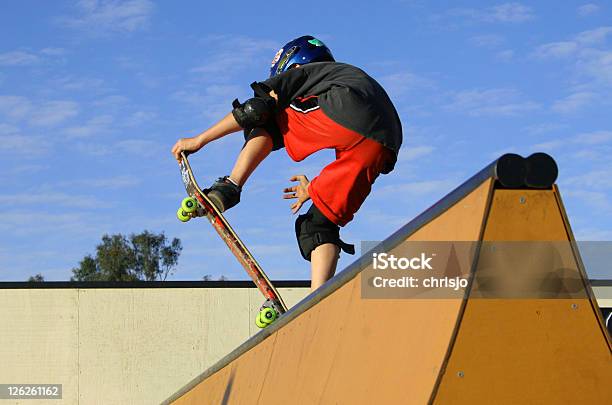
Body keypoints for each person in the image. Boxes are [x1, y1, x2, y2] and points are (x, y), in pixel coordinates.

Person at [172, 35, 402, 290]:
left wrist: (199, 140)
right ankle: (318, 301)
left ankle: (229, 187)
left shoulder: (304, 73)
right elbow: (357, 135)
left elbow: (254, 109)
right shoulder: (341, 76)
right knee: (318, 225)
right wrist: (312, 189)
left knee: (267, 116)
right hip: (383, 143)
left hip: (348, 112)